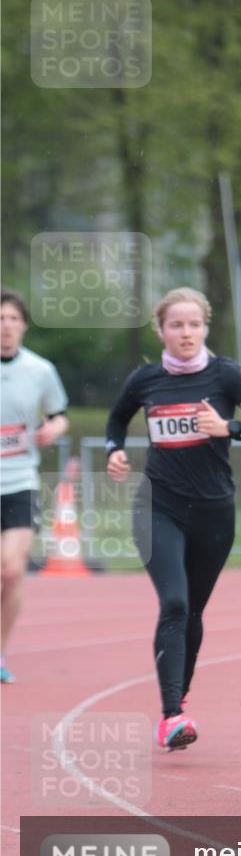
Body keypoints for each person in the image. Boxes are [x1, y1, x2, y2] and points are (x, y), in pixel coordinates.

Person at [106, 287, 241, 751]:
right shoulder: (145, 379)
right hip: (159, 506)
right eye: (176, 325)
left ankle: (181, 692)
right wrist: (114, 451)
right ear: (161, 330)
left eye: (194, 324)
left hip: (215, 512)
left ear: (205, 328)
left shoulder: (227, 376)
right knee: (174, 603)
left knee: (193, 610)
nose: (186, 333)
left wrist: (229, 427)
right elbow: (116, 420)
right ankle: (172, 714)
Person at [1, 288, 69, 683]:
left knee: (10, 571)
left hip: (19, 482)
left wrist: (51, 430)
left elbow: (60, 414)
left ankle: (0, 652)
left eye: (12, 318)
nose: (5, 327)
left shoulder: (40, 370)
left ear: (23, 325)